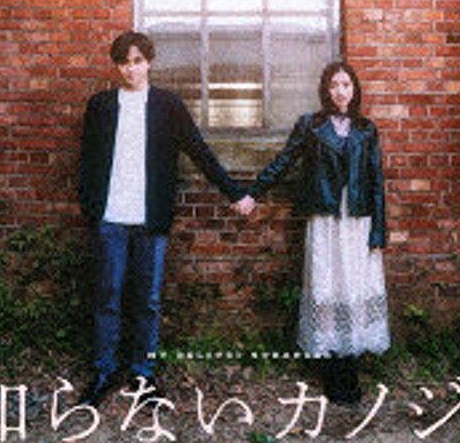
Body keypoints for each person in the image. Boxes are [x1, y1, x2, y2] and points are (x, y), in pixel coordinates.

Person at [78, 30, 248, 407]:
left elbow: (199, 151)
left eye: (137, 61)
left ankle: (143, 375)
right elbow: (87, 161)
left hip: (150, 219)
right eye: (124, 62)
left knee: (148, 301)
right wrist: (90, 208)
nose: (131, 69)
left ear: (149, 63)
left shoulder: (167, 106)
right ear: (117, 66)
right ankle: (104, 371)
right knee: (107, 297)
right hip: (110, 219)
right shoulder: (101, 106)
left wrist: (235, 192)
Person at [237, 61, 390, 404]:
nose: (340, 91)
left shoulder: (366, 129)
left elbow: (376, 182)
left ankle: (350, 365)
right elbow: (284, 161)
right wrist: (253, 193)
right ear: (325, 90)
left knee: (354, 287)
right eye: (334, 85)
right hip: (325, 219)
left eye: (346, 85)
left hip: (358, 221)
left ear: (354, 89)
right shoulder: (311, 126)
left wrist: (379, 231)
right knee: (328, 285)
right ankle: (332, 368)